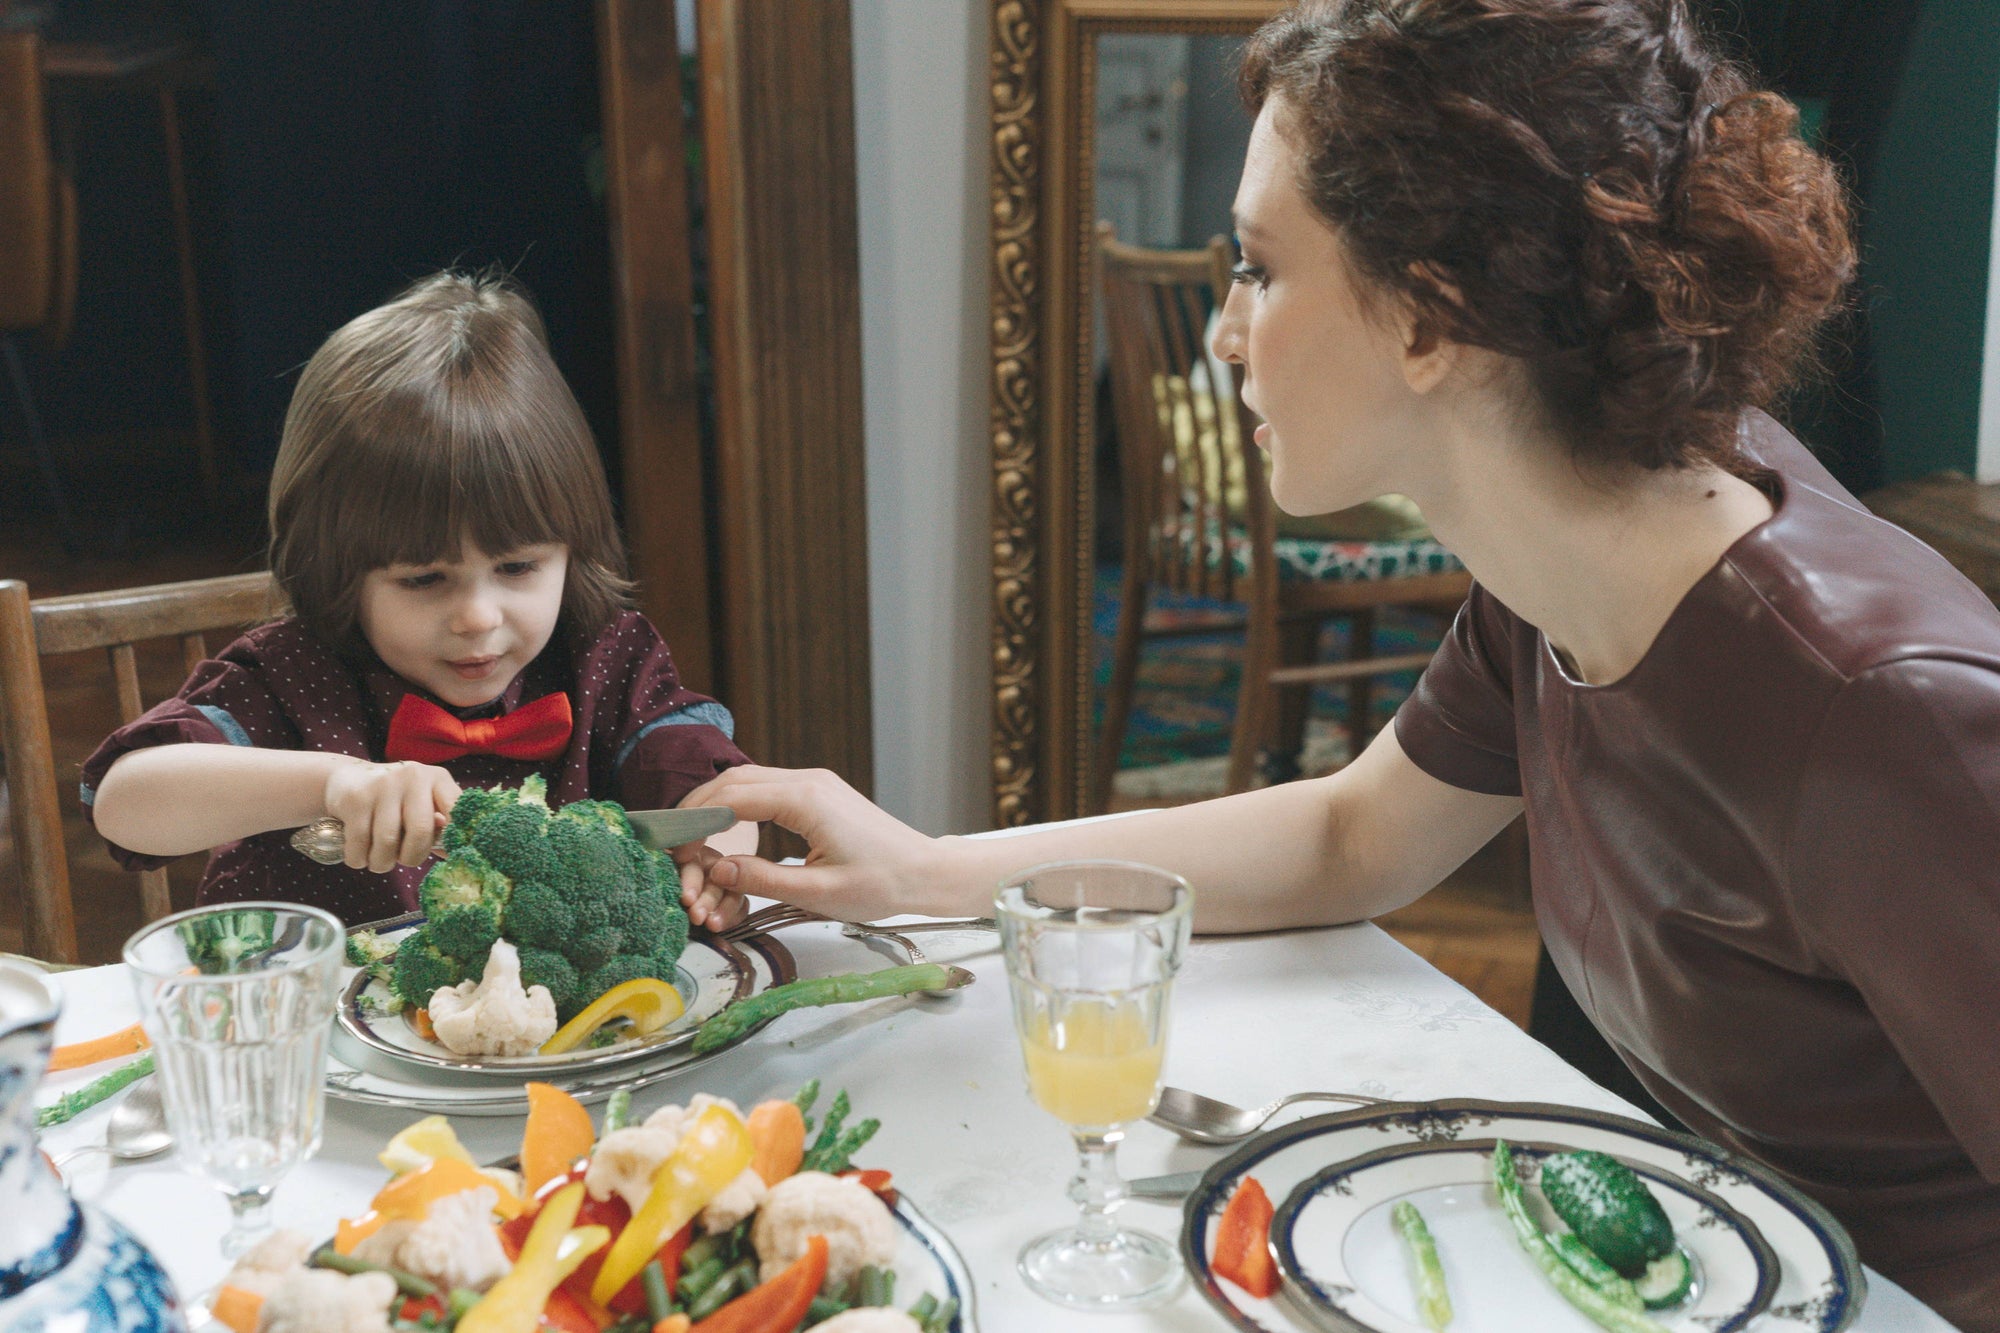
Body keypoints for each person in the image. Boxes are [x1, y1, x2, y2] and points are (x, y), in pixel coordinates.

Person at [670, 0, 2000, 1322]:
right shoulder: (1563, 562)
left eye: (1258, 265)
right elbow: (1354, 836)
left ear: (1433, 317)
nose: (1225, 331)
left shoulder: (1885, 712)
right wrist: (924, 872)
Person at [87, 271, 757, 928]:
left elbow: (723, 797)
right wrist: (332, 783)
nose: (477, 616)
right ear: (336, 572)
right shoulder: (291, 676)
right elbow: (123, 801)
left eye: (518, 565)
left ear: (573, 547)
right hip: (314, 1030)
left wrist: (714, 860)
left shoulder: (605, 656)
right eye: (425, 579)